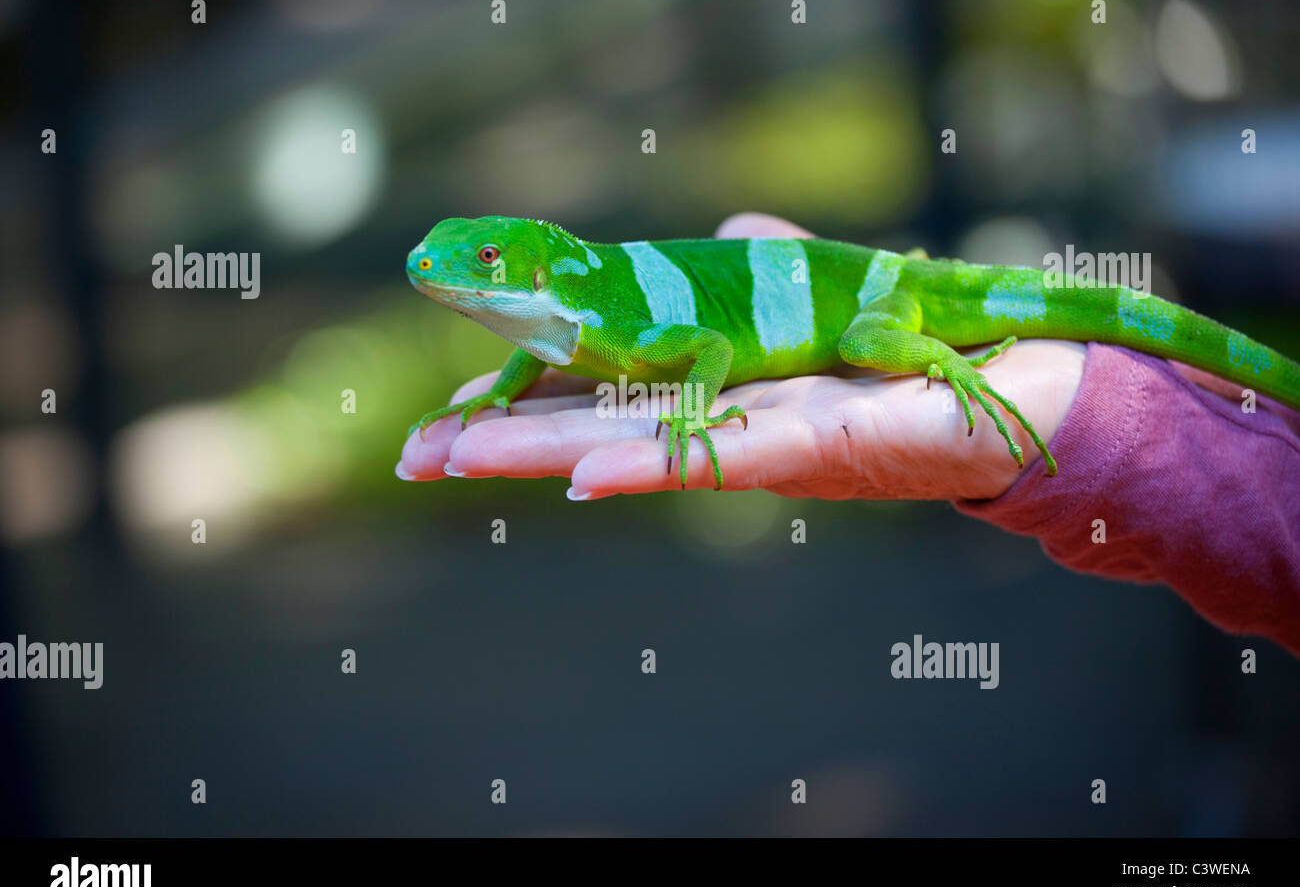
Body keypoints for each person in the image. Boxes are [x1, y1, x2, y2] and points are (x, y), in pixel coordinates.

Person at [397, 213, 1300, 655]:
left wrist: (697, 409)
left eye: (481, 262)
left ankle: (942, 359)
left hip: (892, 306)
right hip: (883, 282)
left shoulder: (624, 331)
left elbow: (708, 343)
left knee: (872, 342)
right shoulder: (564, 332)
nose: (449, 270)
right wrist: (494, 394)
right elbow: (538, 355)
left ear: (540, 269)